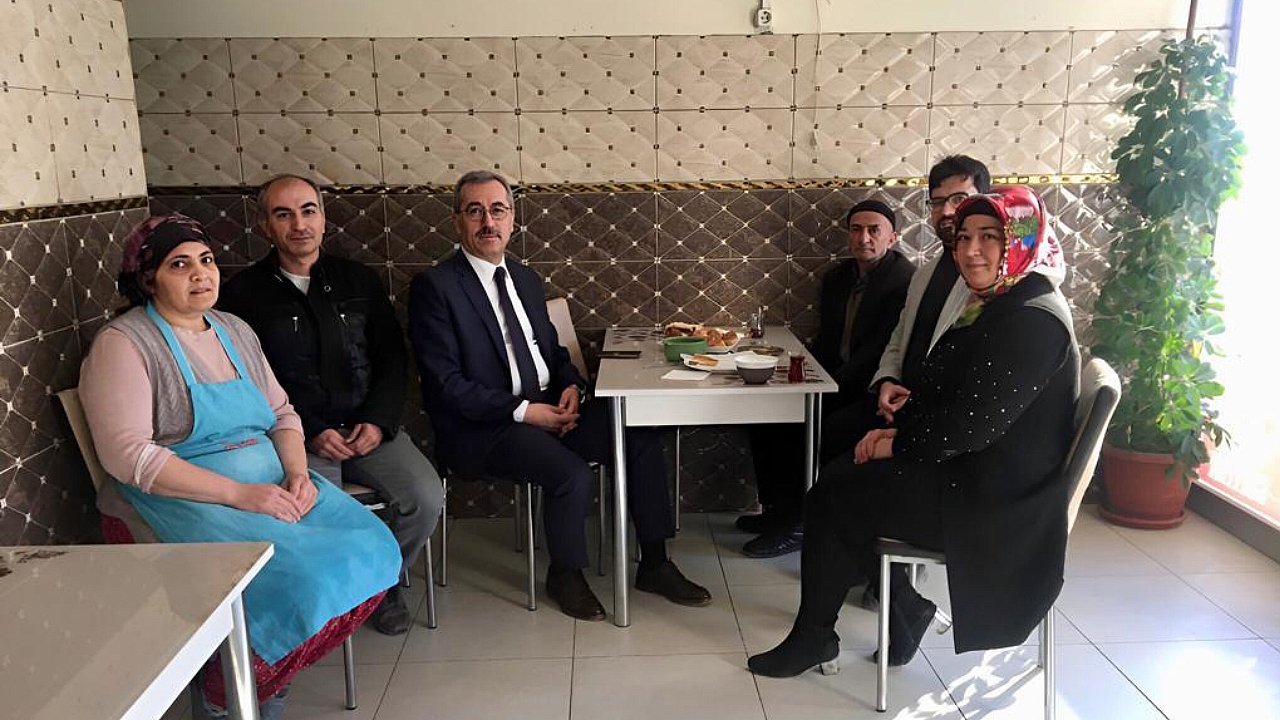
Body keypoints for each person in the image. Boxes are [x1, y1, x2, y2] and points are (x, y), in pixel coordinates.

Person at [747, 185, 1079, 678]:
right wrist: (900, 426)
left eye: (990, 237)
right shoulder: (1003, 300)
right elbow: (962, 397)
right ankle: (897, 611)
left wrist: (896, 443)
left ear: (1022, 240)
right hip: (976, 474)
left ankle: (822, 634)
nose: (971, 250)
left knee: (835, 495)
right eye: (964, 237)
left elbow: (970, 426)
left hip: (995, 502)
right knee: (843, 479)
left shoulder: (1032, 320)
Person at [79, 214, 400, 718]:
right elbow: (129, 455)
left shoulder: (234, 330)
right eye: (179, 264)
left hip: (271, 482)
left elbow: (282, 413)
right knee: (305, 581)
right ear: (148, 279)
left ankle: (262, 680)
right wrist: (240, 495)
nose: (200, 274)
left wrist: (297, 474)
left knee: (375, 548)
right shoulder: (124, 343)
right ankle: (228, 695)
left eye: (206, 260)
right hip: (181, 499)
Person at [409, 170, 711, 621]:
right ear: (457, 221)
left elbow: (552, 352)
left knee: (638, 435)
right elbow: (445, 384)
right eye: (475, 211)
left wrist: (571, 386)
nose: (488, 222)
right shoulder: (437, 288)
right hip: (485, 428)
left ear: (512, 219)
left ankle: (654, 563)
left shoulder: (525, 279)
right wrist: (525, 412)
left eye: (497, 210)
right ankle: (565, 574)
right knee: (569, 473)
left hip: (550, 408)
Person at [219, 174, 445, 636]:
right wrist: (311, 429)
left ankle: (380, 583)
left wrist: (377, 422)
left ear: (323, 219)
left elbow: (391, 358)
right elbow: (249, 380)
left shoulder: (358, 279)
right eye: (283, 214)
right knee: (321, 516)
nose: (299, 224)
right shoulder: (243, 295)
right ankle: (342, 593)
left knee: (424, 498)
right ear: (265, 226)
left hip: (369, 429)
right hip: (297, 438)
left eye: (308, 211)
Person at [740, 200, 915, 558]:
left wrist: (828, 385)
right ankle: (777, 510)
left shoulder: (903, 282)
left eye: (874, 230)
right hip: (833, 380)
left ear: (892, 237)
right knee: (765, 417)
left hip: (873, 390)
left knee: (816, 428)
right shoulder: (837, 278)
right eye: (856, 230)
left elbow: (879, 349)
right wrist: (803, 371)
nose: (863, 238)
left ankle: (799, 523)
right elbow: (827, 338)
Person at [872, 155, 993, 424]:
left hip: (944, 417)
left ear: (986, 203)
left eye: (959, 199)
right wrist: (887, 380)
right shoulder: (924, 274)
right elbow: (901, 335)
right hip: (902, 402)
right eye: (938, 202)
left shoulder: (991, 282)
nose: (947, 211)